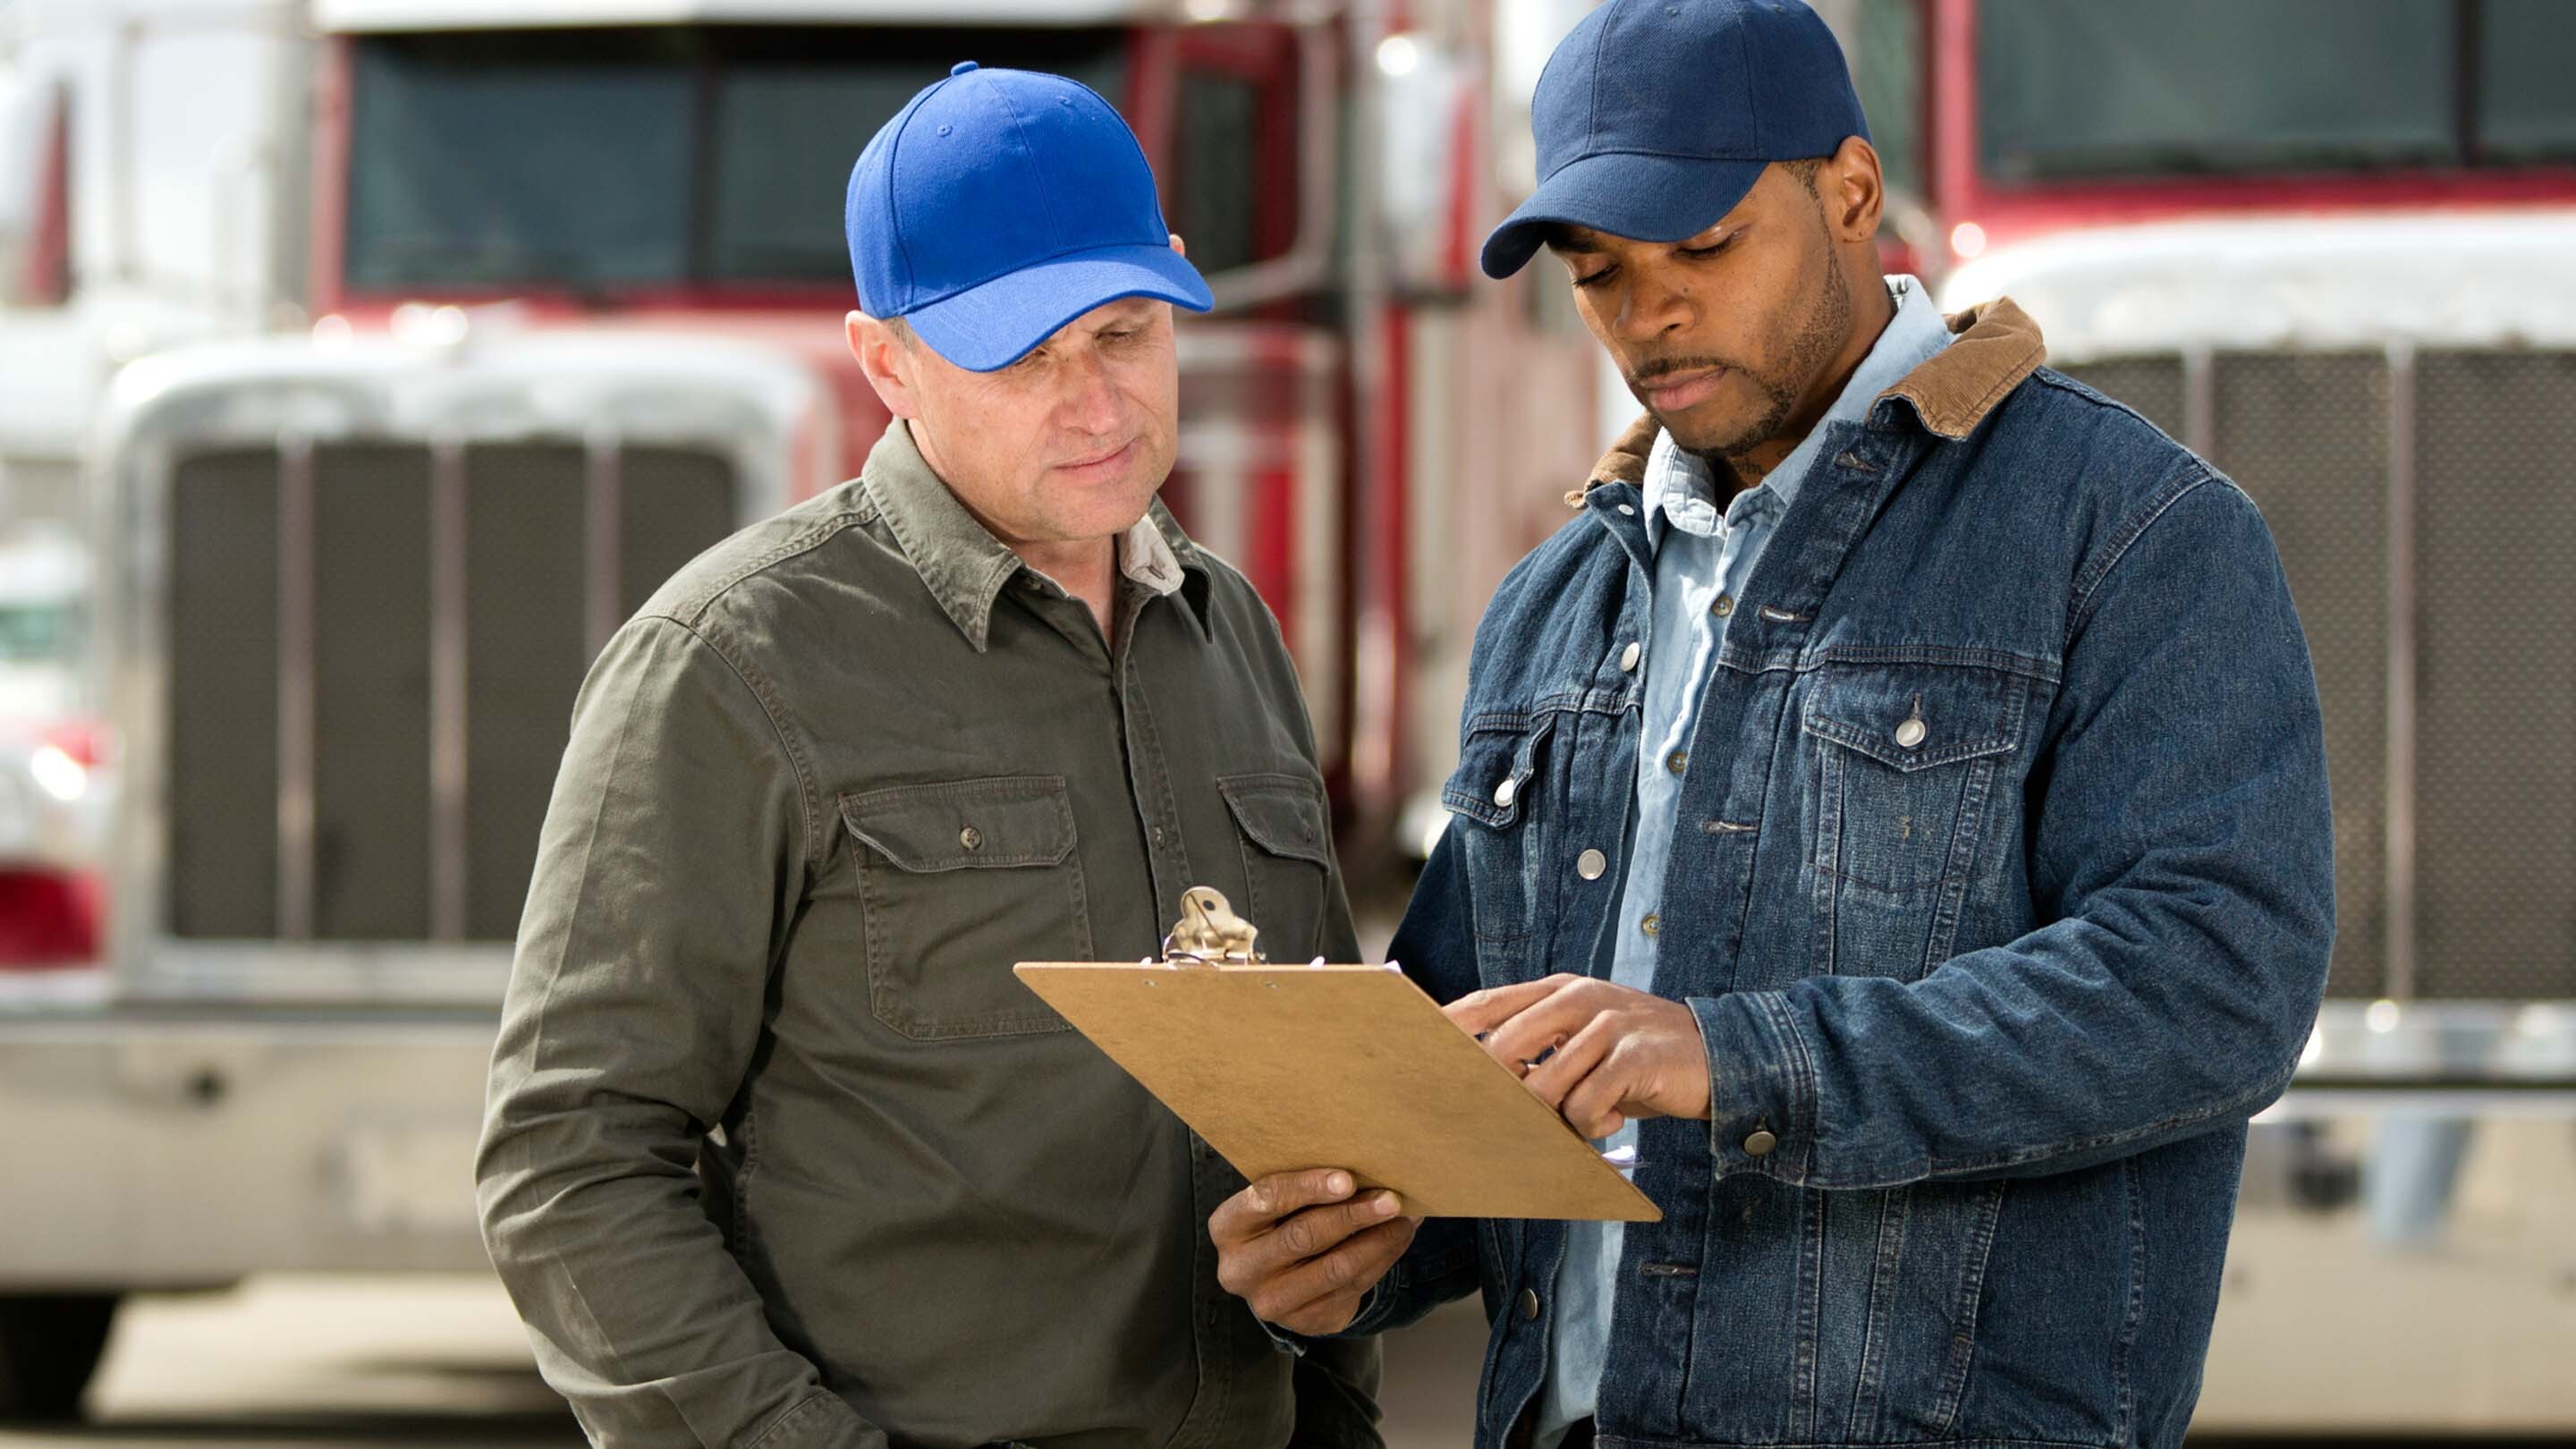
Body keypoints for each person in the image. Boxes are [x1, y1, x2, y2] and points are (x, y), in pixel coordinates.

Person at [1208, 3, 2335, 1446]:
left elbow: (2216, 982)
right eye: (1599, 272)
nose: (1647, 312)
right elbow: (1468, 1081)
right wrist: (1343, 1251)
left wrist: (1739, 1057)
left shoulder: (2129, 534)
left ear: (1853, 194)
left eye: (1705, 246)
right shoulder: (1555, 604)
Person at [478, 61, 1380, 1449]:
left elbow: (1313, 1116)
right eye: (1022, 356)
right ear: (885, 361)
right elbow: (571, 1164)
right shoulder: (732, 660)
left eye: (1125, 334)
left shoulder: (1230, 633)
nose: (1093, 403)